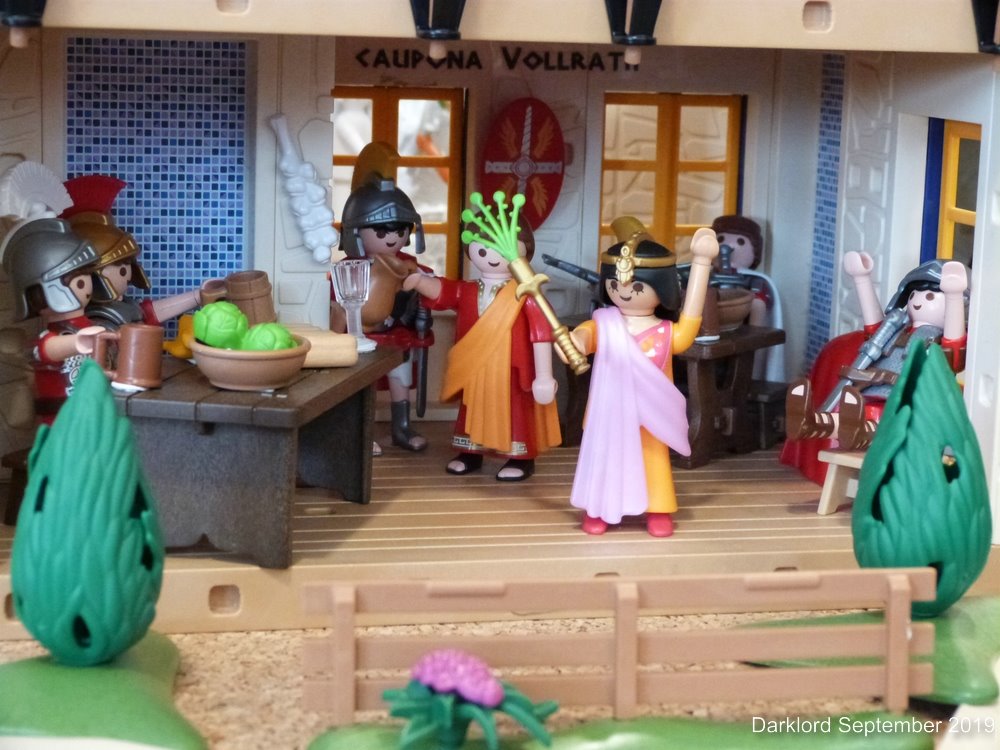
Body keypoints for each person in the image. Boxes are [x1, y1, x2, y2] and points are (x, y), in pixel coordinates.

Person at [566, 218, 719, 537]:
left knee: (653, 460)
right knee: (608, 459)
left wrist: (702, 263)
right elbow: (585, 336)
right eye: (615, 285)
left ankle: (658, 507)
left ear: (662, 288)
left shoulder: (665, 331)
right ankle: (601, 507)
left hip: (650, 412)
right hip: (611, 410)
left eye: (636, 287)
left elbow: (689, 325)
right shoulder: (604, 323)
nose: (624, 293)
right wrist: (576, 341)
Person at [402, 214, 560, 481]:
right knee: (472, 408)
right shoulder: (469, 289)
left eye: (500, 250)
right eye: (483, 250)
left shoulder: (526, 292)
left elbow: (541, 333)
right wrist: (420, 281)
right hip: (475, 364)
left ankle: (520, 458)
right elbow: (444, 291)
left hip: (511, 367)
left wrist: (544, 375)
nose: (491, 257)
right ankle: (470, 453)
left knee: (514, 410)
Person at [785, 251, 968, 450]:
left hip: (910, 399)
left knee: (885, 419)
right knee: (854, 413)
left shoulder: (938, 339)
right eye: (913, 295)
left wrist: (954, 295)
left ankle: (860, 434)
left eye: (930, 296)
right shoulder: (897, 329)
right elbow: (874, 330)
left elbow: (954, 345)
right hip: (873, 390)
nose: (918, 301)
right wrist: (862, 278)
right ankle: (812, 423)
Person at [333, 143, 431, 454]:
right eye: (381, 231)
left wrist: (420, 296)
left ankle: (401, 427)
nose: (392, 238)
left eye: (400, 231)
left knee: (400, 376)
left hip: (396, 334)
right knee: (362, 383)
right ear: (356, 232)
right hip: (360, 336)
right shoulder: (349, 268)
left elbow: (430, 287)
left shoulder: (410, 265)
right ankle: (361, 432)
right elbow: (337, 303)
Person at [0, 217, 104, 420]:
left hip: (90, 415)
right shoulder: (48, 340)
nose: (87, 286)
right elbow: (50, 349)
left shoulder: (90, 324)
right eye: (79, 282)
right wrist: (81, 341)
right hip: (61, 423)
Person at [710, 214, 784, 381]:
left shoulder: (755, 280)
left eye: (740, 242)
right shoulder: (704, 275)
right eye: (720, 239)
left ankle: (751, 373)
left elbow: (759, 306)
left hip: (741, 334)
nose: (728, 247)